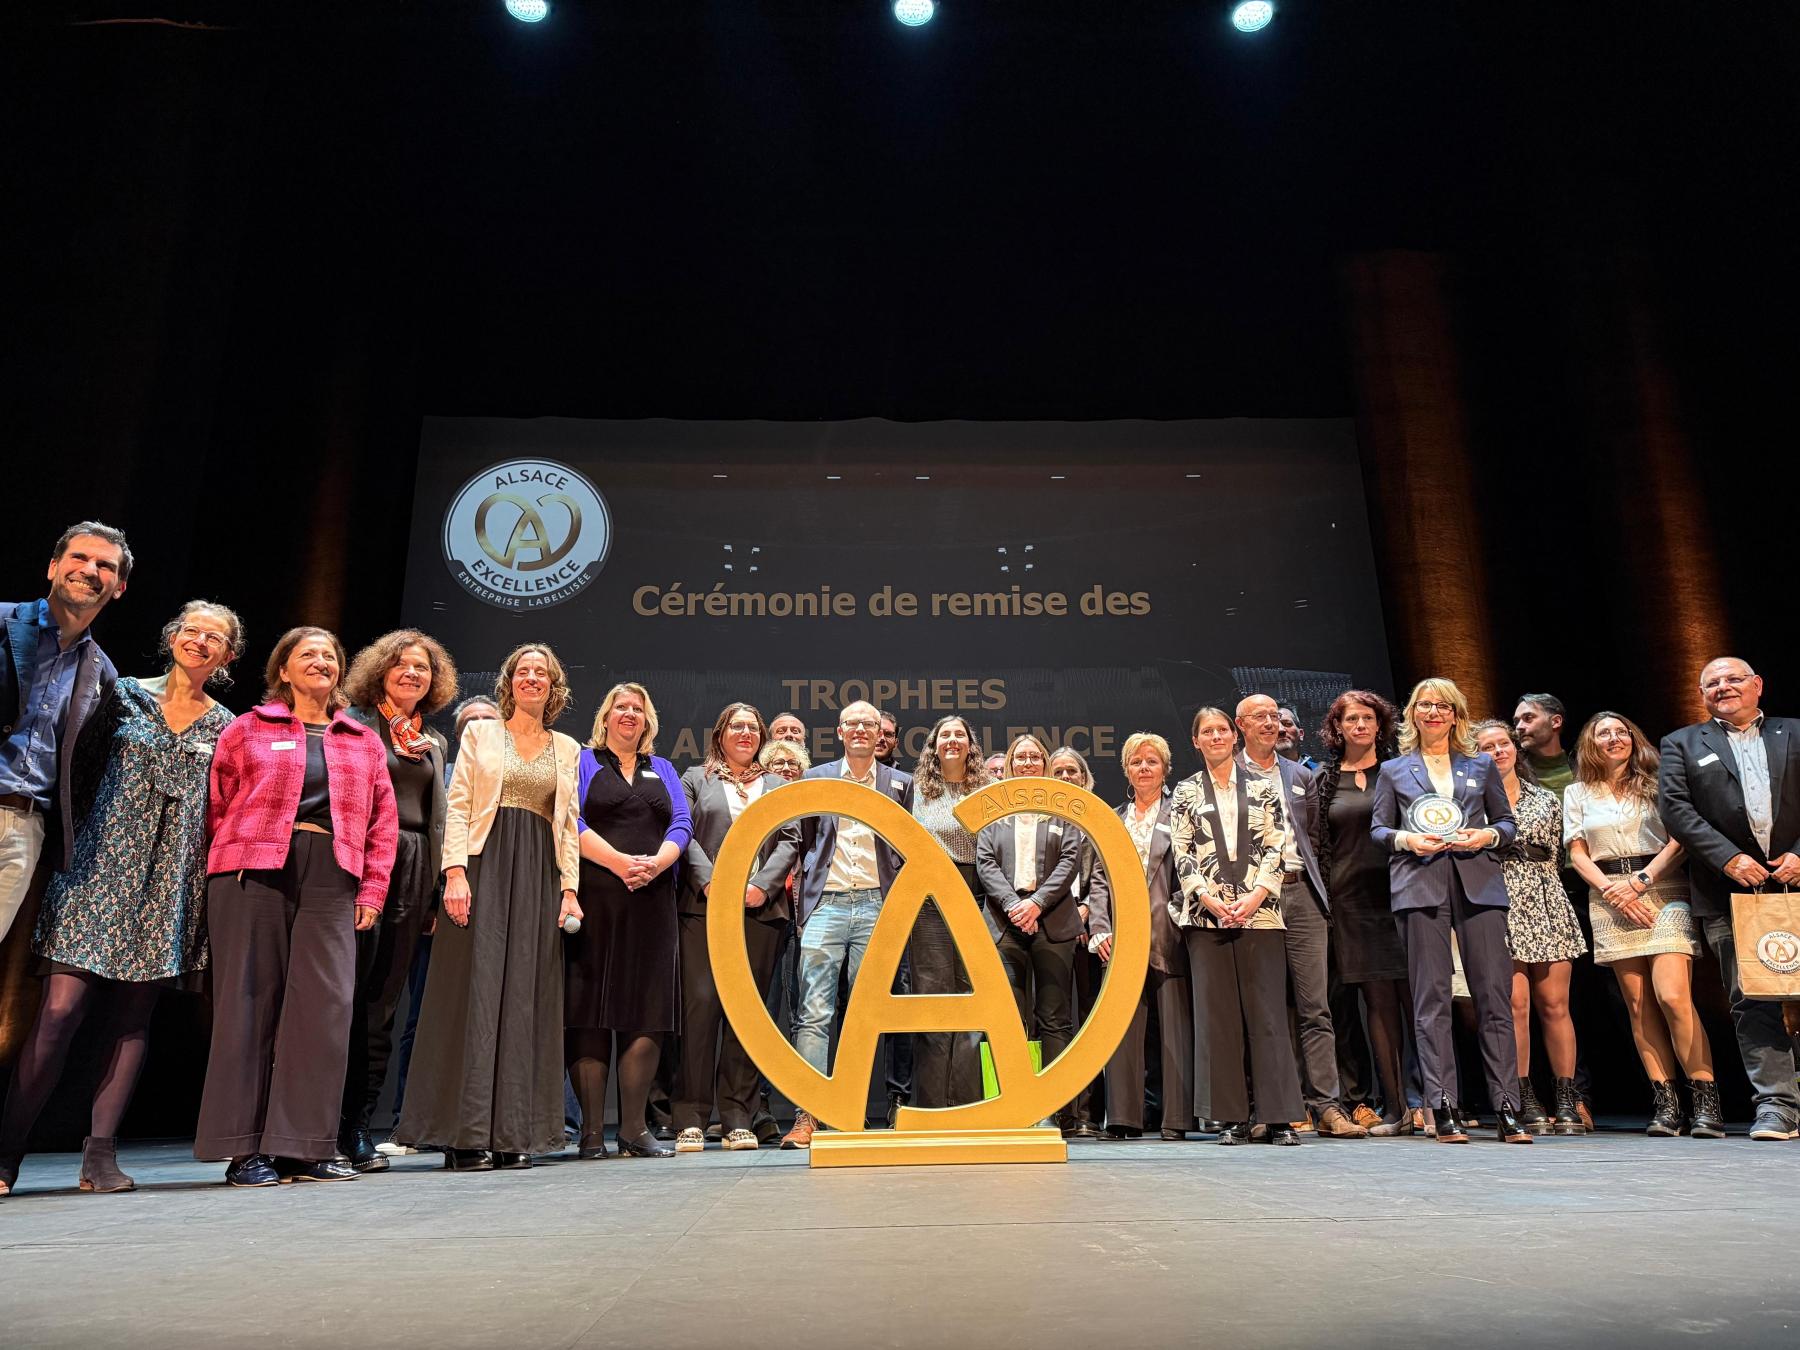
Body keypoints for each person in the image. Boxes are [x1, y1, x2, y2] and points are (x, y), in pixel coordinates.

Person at [0, 601, 240, 1197]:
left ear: (229, 656)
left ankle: (99, 1157)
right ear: (172, 636)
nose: (201, 642)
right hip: (96, 871)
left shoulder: (229, 725)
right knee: (58, 1013)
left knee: (133, 1021)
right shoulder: (123, 693)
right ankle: (6, 1154)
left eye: (216, 638)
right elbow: (75, 773)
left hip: (169, 884)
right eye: (192, 630)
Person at [193, 626, 398, 1186]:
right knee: (249, 1003)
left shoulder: (360, 737)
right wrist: (231, 859)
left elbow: (384, 824)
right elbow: (219, 803)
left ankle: (305, 1145)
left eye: (331, 655)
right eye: (308, 654)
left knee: (325, 1011)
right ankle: (244, 1150)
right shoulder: (247, 729)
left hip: (334, 873)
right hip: (252, 872)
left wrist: (373, 891)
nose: (322, 662)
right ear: (282, 669)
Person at [395, 644, 582, 1171]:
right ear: (510, 681)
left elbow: (566, 825)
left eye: (541, 673)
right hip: (484, 866)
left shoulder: (566, 747)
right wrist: (454, 873)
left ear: (553, 686)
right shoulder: (482, 733)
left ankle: (511, 1132)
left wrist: (570, 888)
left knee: (526, 997)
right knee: (474, 995)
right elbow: (457, 806)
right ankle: (465, 1133)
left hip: (539, 875)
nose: (531, 679)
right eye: (523, 672)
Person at [1371, 677, 1529, 1144]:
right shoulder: (1394, 770)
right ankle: (1444, 1107)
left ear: (1456, 714)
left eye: (1442, 706)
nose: (1433, 712)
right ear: (1413, 714)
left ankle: (1507, 1107)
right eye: (1424, 705)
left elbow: (1507, 823)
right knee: (1431, 999)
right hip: (1420, 885)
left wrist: (1485, 836)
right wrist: (1407, 839)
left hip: (1478, 884)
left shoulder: (1479, 766)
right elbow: (1380, 829)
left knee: (1493, 998)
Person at [1660, 658, 1800, 1141]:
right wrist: (1728, 859)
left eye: (1734, 679)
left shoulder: (1795, 732)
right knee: (1751, 999)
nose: (1723, 687)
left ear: (1758, 685)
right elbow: (1677, 811)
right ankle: (1777, 1107)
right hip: (1730, 892)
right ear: (1701, 695)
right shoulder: (1681, 744)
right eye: (1712, 683)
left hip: (1798, 884)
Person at [334, 630, 457, 1172]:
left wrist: (432, 890)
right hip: (360, 863)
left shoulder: (433, 741)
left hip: (413, 872)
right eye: (402, 664)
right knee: (340, 999)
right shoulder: (355, 724)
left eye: (423, 668)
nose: (412, 674)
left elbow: (436, 820)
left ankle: (357, 1126)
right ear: (380, 669)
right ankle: (315, 1120)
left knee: (382, 1006)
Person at [1567, 712, 1721, 1136]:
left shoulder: (1657, 781)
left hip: (1662, 888)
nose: (1614, 738)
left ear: (1634, 739)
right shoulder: (1578, 791)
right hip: (1609, 897)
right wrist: (1613, 890)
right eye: (1604, 733)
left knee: (1672, 996)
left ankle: (1706, 1101)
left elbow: (1680, 838)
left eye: (1622, 732)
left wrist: (1641, 881)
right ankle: (1667, 1104)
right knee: (1637, 1004)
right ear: (1590, 744)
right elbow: (1578, 852)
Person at [559, 682, 692, 1160]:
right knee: (589, 1011)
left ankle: (634, 1131)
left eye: (638, 709)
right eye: (621, 707)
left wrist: (657, 863)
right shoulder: (583, 762)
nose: (629, 714)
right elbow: (569, 820)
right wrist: (619, 862)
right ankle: (592, 1134)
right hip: (595, 899)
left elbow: (682, 821)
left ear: (648, 720)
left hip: (652, 901)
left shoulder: (664, 769)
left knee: (646, 1011)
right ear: (606, 716)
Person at [1171, 707, 1306, 1147]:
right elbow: (1182, 852)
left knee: (1267, 1017)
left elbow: (1276, 846)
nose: (1215, 737)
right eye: (1206, 731)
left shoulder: (1265, 786)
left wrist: (1255, 897)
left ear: (1234, 736)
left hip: (1261, 914)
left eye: (1221, 730)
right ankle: (1230, 1118)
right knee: (1219, 1020)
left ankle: (1280, 1118)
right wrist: (1208, 898)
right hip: (1205, 917)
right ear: (1196, 741)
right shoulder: (1186, 791)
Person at [781, 700, 914, 1148]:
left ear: (881, 735)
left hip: (879, 907)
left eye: (869, 724)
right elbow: (799, 841)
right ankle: (809, 1114)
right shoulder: (816, 779)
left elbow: (912, 849)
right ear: (839, 731)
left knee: (868, 1013)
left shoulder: (900, 784)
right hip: (828, 904)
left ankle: (849, 1110)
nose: (861, 730)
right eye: (853, 723)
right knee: (814, 1011)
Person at [1236, 694, 1366, 1138]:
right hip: (1256, 901)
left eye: (1274, 717)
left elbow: (1310, 838)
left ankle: (1328, 1106)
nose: (1270, 724)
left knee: (1316, 1007)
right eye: (1260, 717)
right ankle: (1279, 1104)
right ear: (1241, 725)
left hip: (1301, 894)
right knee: (1267, 1009)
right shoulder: (1227, 775)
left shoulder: (1300, 775)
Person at [673, 703, 800, 1152]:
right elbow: (683, 833)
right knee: (701, 1007)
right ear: (720, 734)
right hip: (703, 908)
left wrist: (763, 887)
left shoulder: (777, 783)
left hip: (760, 912)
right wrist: (713, 883)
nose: (745, 733)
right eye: (736, 726)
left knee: (747, 1013)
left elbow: (790, 839)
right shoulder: (695, 779)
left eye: (752, 727)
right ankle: (690, 1115)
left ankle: (736, 1118)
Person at [1, 521, 131, 946]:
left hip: (25, 829)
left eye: (105, 565)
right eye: (79, 557)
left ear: (118, 587)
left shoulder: (103, 672)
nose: (90, 569)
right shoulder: (2, 621)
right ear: (53, 566)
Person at [1471, 720, 1588, 1134]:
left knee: (1556, 1005)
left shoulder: (1544, 798)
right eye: (1487, 747)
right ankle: (1522, 1096)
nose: (1498, 751)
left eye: (1503, 744)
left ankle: (1565, 1095)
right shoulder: (1473, 801)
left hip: (1545, 897)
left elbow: (1556, 854)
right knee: (1514, 1006)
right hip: (1498, 899)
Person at [1314, 690, 1414, 1136]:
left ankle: (1435, 1100)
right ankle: (1395, 1107)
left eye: (1367, 718)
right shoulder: (1323, 780)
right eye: (1350, 719)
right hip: (1351, 903)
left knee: (1419, 1002)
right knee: (1377, 1005)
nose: (1359, 725)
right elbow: (1320, 847)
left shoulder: (1400, 772)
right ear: (1337, 728)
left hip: (1404, 895)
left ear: (1380, 725)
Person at [1086, 732, 1191, 1140]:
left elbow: (1189, 871)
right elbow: (1099, 878)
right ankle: (1125, 1118)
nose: (1144, 768)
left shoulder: (1181, 814)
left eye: (1152, 761)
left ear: (1165, 768)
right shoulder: (1114, 818)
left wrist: (1181, 916)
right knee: (1123, 1027)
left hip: (1170, 931)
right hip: (1122, 936)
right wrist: (1099, 928)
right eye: (1136, 762)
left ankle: (1176, 1119)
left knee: (1174, 1029)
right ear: (1126, 770)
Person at [976, 734, 1080, 1123]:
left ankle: (1055, 1109)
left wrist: (1036, 903)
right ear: (1008, 766)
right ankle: (1011, 1108)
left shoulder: (1063, 809)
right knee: (1008, 1018)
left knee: (1054, 1019)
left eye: (1035, 756)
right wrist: (1013, 904)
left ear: (1045, 763)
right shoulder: (993, 811)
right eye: (1020, 757)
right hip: (1005, 924)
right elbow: (985, 862)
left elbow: (1070, 860)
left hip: (1052, 921)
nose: (1027, 763)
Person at [907, 714, 993, 1110]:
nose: (953, 740)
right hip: (929, 899)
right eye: (946, 735)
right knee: (932, 996)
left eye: (960, 734)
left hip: (978, 891)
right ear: (934, 745)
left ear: (970, 744)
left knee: (974, 995)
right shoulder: (917, 788)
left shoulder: (988, 788)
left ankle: (968, 1103)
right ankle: (931, 1104)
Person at [1047, 746, 1111, 1137]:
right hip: (1046, 931)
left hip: (1086, 930)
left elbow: (1102, 876)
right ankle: (1060, 1113)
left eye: (1072, 771)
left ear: (1084, 778)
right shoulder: (1035, 819)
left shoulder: (1097, 820)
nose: (1066, 778)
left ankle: (1087, 1114)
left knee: (1090, 1022)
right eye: (1058, 772)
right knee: (1054, 1022)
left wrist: (1087, 911)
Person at [1514, 693, 1575, 796]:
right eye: (1516, 722)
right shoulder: (1514, 770)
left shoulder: (1584, 765)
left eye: (1528, 718)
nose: (1519, 727)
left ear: (1555, 721)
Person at [1277, 704, 1320, 771]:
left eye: (1287, 724)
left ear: (1301, 734)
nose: (1281, 730)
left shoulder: (1323, 774)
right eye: (1273, 726)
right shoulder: (1256, 776)